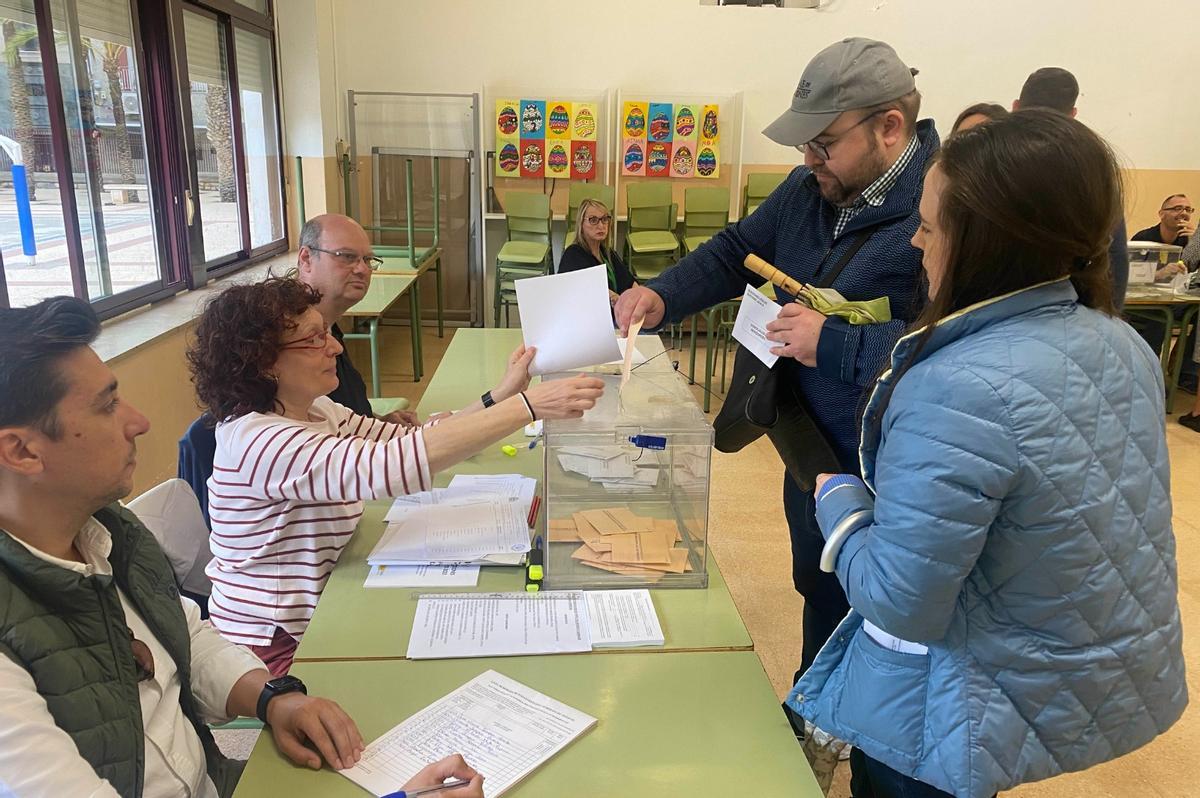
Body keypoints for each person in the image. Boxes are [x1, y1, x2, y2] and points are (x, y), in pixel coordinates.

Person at [791, 111, 1186, 798]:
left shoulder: (954, 385)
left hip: (953, 704)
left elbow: (900, 602)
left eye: (930, 227)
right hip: (1062, 671)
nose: (917, 244)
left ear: (982, 243)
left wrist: (841, 501)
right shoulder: (1120, 342)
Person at [0, 296, 483, 798]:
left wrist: (273, 699)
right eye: (107, 406)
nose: (138, 421)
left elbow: (185, 635)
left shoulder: (106, 530)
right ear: (21, 451)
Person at [615, 37, 938, 696]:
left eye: (822, 144)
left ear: (889, 127)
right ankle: (816, 710)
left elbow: (957, 350)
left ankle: (857, 730)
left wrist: (841, 344)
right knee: (820, 589)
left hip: (891, 467)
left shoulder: (944, 208)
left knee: (889, 622)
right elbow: (737, 250)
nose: (807, 159)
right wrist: (664, 293)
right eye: (803, 146)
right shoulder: (808, 190)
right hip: (808, 443)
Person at [188, 278, 603, 675]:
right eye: (314, 339)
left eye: (328, 332)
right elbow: (390, 467)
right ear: (263, 362)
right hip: (275, 639)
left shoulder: (315, 409)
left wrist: (502, 394)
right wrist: (526, 408)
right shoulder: (257, 439)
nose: (334, 347)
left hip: (330, 590)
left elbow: (407, 439)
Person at [1013, 66, 1129, 307]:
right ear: (1073, 113)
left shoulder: (990, 154)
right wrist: (1110, 313)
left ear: (1015, 106)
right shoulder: (1094, 160)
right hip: (1077, 304)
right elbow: (1114, 250)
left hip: (1000, 307)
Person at [296, 213, 418, 425]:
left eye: (367, 260)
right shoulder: (289, 341)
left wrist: (378, 421)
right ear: (306, 259)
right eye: (346, 256)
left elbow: (340, 416)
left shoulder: (330, 328)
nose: (362, 269)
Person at [558, 198, 636, 305]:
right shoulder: (573, 255)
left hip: (616, 313)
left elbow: (630, 282)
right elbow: (591, 290)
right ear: (581, 224)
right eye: (593, 220)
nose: (601, 226)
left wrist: (640, 297)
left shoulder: (607, 253)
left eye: (605, 219)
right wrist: (620, 302)